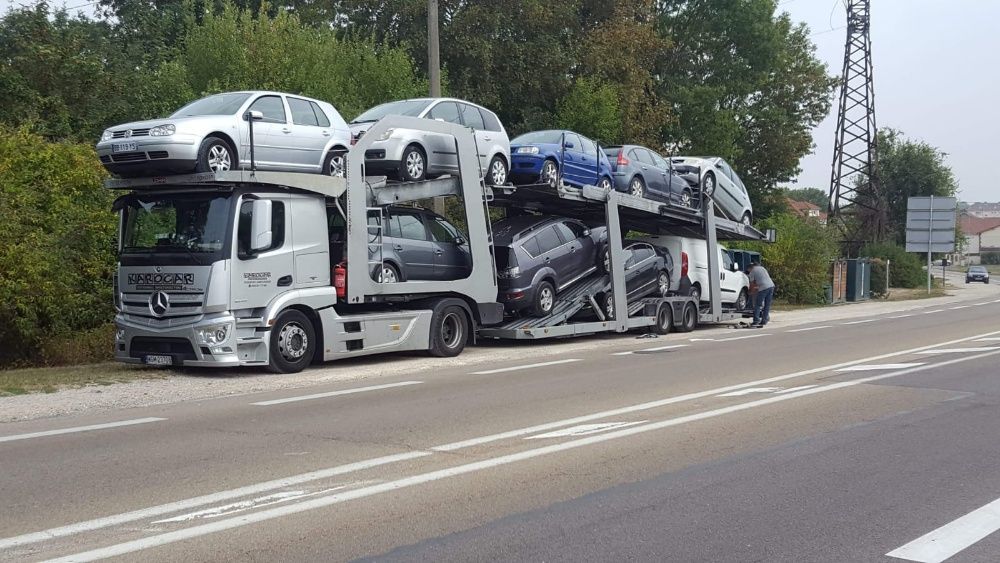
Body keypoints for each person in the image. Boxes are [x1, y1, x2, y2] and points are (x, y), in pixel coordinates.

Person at [747, 261, 775, 328]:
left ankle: (756, 321)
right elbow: (762, 279)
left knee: (757, 305)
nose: (748, 271)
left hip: (764, 288)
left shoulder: (752, 271)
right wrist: (756, 288)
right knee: (767, 305)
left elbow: (752, 285)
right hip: (771, 286)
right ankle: (764, 320)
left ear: (750, 268)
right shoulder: (762, 268)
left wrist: (750, 292)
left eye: (748, 270)